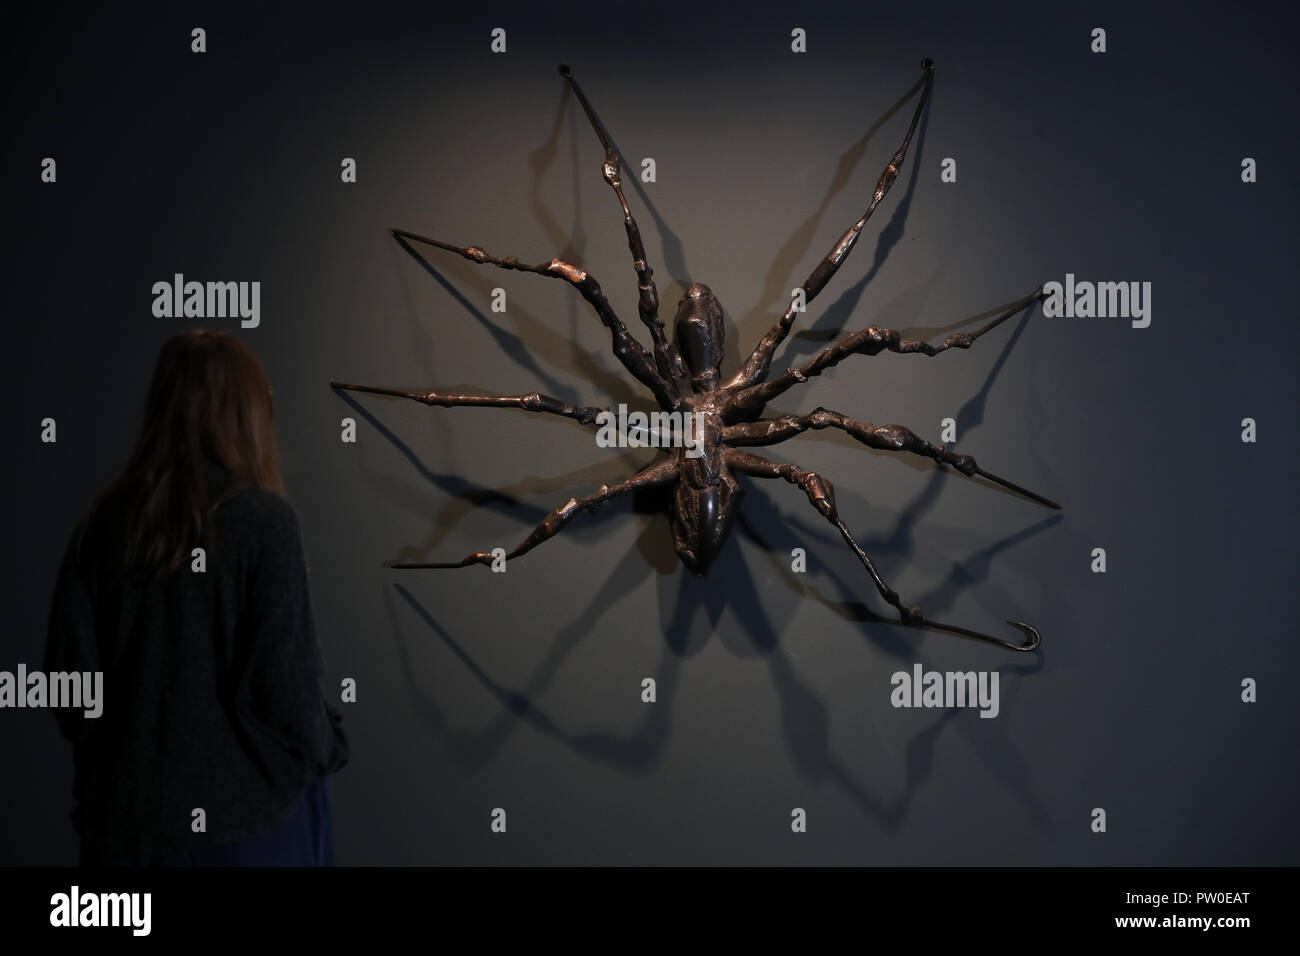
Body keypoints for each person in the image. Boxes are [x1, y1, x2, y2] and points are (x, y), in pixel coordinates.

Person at [44, 329, 348, 865]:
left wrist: (126, 764)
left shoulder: (99, 527)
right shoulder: (263, 521)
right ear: (247, 413)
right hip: (248, 830)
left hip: (123, 830)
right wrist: (327, 745)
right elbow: (284, 689)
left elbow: (68, 687)